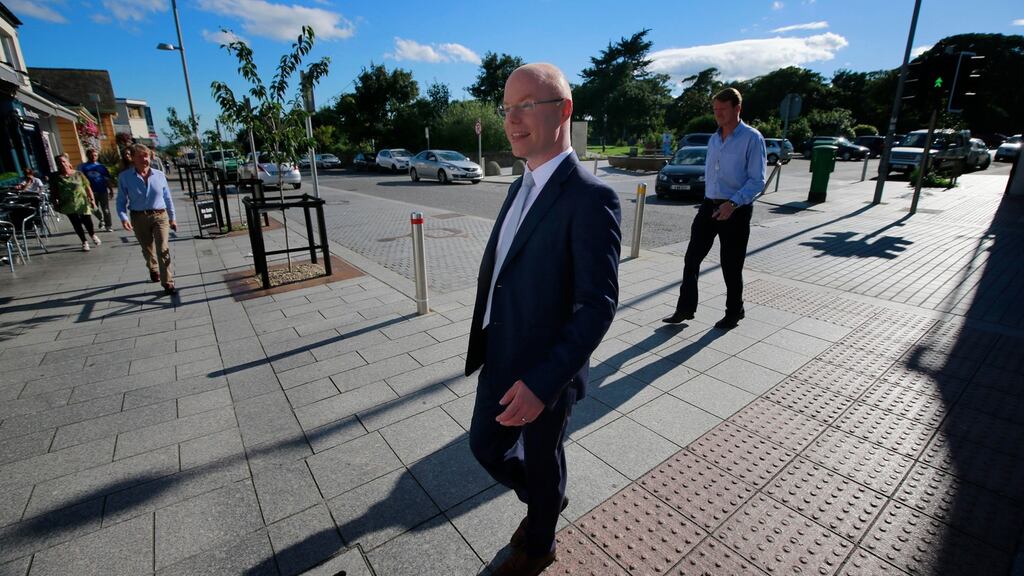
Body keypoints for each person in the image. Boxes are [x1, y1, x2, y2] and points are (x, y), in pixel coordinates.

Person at [466, 63, 621, 576]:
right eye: (507, 107)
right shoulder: (518, 187)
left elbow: (597, 305)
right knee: (484, 448)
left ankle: (541, 543)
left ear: (564, 111)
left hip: (545, 376)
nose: (513, 119)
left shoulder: (591, 198)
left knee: (541, 458)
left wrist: (543, 382)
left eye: (527, 105)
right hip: (501, 356)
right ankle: (546, 502)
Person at [663, 87, 766, 330]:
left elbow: (757, 180)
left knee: (731, 265)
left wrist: (732, 204)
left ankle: (734, 311)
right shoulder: (713, 138)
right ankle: (685, 308)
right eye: (715, 110)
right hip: (709, 206)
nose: (717, 114)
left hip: (736, 209)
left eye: (722, 109)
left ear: (737, 108)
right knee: (691, 258)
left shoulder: (752, 138)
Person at [116, 143, 178, 295]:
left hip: (160, 215)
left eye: (147, 156)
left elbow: (167, 198)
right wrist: (123, 217)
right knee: (147, 249)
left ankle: (168, 282)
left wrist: (172, 218)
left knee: (163, 248)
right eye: (141, 156)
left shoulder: (159, 175)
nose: (145, 159)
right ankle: (153, 268)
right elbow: (121, 201)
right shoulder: (125, 177)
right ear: (133, 159)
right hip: (139, 216)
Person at [50, 154, 100, 252]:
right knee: (76, 223)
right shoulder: (56, 177)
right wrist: (55, 203)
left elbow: (87, 187)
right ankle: (84, 242)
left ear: (68, 163)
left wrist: (92, 200)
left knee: (87, 221)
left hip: (82, 202)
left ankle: (92, 234)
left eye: (64, 162)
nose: (62, 164)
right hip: (68, 204)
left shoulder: (78, 174)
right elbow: (54, 192)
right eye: (59, 163)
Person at [79, 149, 114, 232]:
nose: (94, 157)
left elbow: (107, 179)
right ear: (88, 155)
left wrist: (111, 190)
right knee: (94, 208)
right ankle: (101, 219)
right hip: (91, 192)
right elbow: (80, 180)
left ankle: (108, 225)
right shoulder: (83, 167)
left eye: (95, 155)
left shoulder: (101, 167)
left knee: (106, 209)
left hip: (102, 191)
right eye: (92, 155)